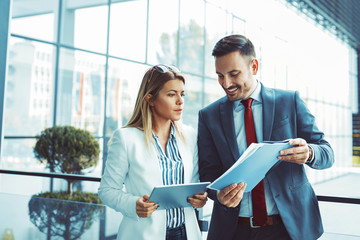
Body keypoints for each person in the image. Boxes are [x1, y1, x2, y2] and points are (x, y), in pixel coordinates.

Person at [197, 34, 334, 240]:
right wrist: (218, 195)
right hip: (235, 231)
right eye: (220, 75)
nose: (226, 83)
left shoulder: (289, 101)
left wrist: (309, 153)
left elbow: (327, 153)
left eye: (234, 74)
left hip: (289, 229)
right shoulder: (209, 116)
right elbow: (208, 172)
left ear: (253, 66)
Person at [99, 64, 208, 240]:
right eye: (171, 94)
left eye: (182, 94)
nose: (180, 101)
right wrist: (133, 204)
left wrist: (200, 199)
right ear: (150, 99)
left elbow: (194, 185)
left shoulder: (190, 136)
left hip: (186, 233)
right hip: (144, 234)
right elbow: (107, 190)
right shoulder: (126, 138)